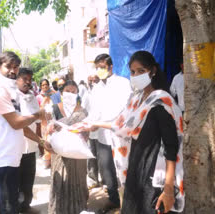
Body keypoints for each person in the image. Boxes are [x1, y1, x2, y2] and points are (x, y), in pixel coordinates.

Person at [77, 51, 184, 214]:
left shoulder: (161, 103)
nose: (135, 75)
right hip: (135, 167)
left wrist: (168, 188)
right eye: (133, 72)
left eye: (141, 71)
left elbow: (171, 148)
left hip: (153, 173)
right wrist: (92, 124)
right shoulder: (136, 99)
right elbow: (120, 125)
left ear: (153, 71)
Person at [0, 51, 52, 214]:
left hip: (11, 157)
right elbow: (16, 123)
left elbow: (21, 125)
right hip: (0, 159)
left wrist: (41, 142)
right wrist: (37, 114)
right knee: (8, 208)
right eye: (8, 67)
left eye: (16, 67)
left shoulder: (10, 91)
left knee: (11, 206)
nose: (13, 71)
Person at [85, 54, 132, 212]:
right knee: (106, 169)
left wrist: (99, 123)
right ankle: (113, 199)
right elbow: (94, 111)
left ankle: (129, 201)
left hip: (121, 135)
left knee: (125, 168)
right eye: (97, 67)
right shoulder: (96, 88)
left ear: (111, 67)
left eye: (103, 67)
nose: (100, 70)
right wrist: (89, 124)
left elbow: (123, 108)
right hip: (103, 137)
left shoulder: (123, 83)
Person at [46, 80, 88, 214]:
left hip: (77, 154)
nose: (70, 93)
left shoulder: (82, 111)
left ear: (77, 93)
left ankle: (79, 209)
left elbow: (86, 132)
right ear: (62, 93)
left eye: (73, 91)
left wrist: (75, 135)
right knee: (61, 183)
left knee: (78, 181)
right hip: (59, 154)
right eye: (67, 91)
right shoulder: (54, 108)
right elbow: (47, 129)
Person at [16, 68, 43, 213]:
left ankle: (26, 206)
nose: (27, 82)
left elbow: (38, 120)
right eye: (24, 78)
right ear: (17, 79)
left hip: (31, 146)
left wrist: (40, 143)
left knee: (28, 179)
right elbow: (20, 125)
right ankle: (18, 208)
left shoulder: (32, 96)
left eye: (29, 79)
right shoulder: (13, 97)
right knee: (17, 181)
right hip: (17, 146)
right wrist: (41, 141)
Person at [36, 79, 59, 168]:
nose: (45, 87)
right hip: (44, 123)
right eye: (43, 85)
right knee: (46, 141)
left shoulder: (54, 95)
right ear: (41, 87)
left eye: (46, 85)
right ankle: (47, 161)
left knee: (54, 141)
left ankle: (55, 160)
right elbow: (39, 109)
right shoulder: (39, 97)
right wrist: (45, 98)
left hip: (54, 122)